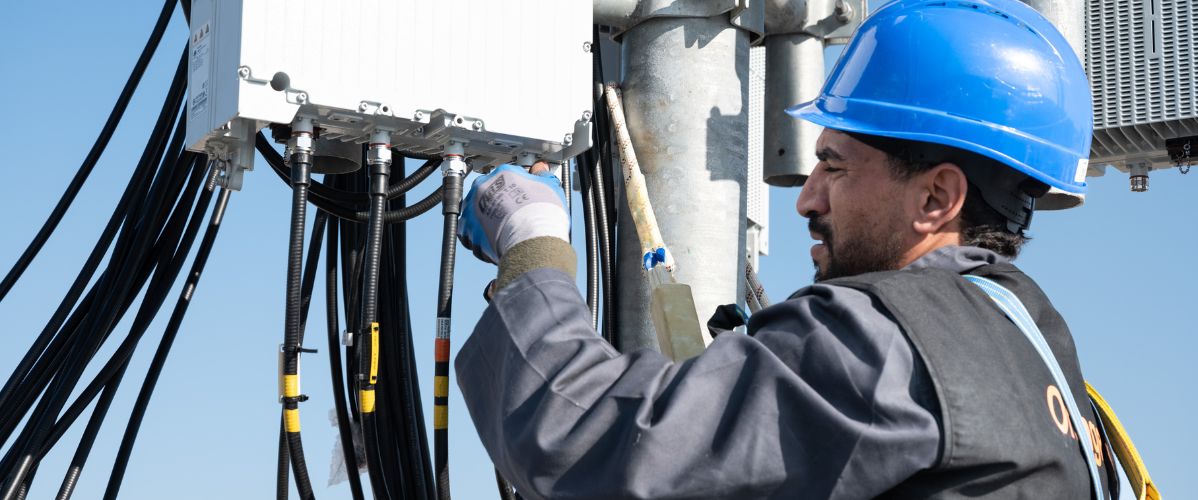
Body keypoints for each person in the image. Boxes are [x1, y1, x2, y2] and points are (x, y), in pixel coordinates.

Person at [453, 0, 1119, 498]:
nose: (808, 199)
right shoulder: (1044, 357)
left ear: (935, 199)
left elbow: (585, 446)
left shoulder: (877, 339)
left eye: (835, 166)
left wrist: (533, 249)